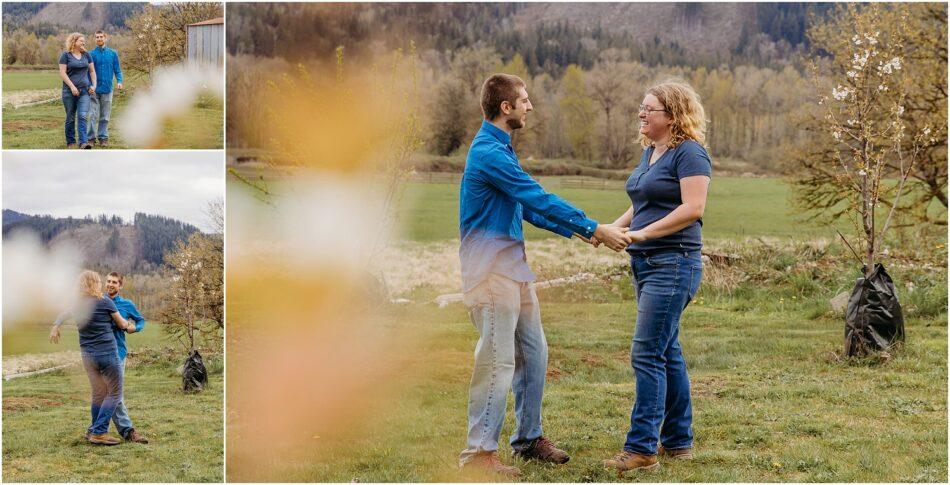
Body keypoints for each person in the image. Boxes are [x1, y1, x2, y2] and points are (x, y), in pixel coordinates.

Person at [458, 73, 631, 476]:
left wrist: (579, 230)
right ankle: (478, 455)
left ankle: (528, 439)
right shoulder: (489, 152)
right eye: (525, 99)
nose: (530, 106)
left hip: (514, 271)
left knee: (534, 356)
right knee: (498, 362)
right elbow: (535, 194)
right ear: (507, 107)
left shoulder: (501, 149)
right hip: (490, 272)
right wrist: (594, 227)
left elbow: (527, 209)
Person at [598, 80, 712, 474]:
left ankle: (642, 447)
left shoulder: (690, 153)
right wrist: (609, 229)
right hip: (646, 264)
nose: (641, 114)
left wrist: (643, 234)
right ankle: (678, 442)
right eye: (642, 108)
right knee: (667, 351)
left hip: (674, 262)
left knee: (646, 352)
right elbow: (641, 203)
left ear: (673, 116)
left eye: (650, 109)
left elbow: (693, 208)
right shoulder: (651, 152)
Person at [49, 270, 134, 445]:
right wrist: (130, 325)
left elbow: (63, 315)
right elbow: (121, 323)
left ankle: (92, 431)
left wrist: (55, 326)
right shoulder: (105, 302)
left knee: (98, 394)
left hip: (88, 357)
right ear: (95, 283)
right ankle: (100, 431)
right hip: (108, 355)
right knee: (115, 393)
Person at [103, 272, 148, 443]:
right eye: (108, 281)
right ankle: (100, 430)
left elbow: (141, 320)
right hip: (98, 354)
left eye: (114, 282)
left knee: (115, 393)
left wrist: (134, 328)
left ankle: (127, 430)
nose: (110, 284)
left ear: (120, 286)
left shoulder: (126, 304)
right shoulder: (98, 302)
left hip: (117, 353)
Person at [58, 33, 96, 149]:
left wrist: (94, 85)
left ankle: (83, 142)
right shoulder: (66, 55)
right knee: (70, 117)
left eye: (84, 41)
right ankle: (70, 141)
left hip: (85, 91)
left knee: (83, 116)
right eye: (81, 41)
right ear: (74, 42)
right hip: (69, 92)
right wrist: (72, 86)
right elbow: (62, 73)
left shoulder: (87, 55)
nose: (83, 43)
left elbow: (92, 71)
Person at [87, 30, 124, 147]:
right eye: (97, 37)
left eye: (101, 37)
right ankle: (91, 139)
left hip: (108, 89)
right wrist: (89, 85)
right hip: (94, 90)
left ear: (105, 38)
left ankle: (103, 138)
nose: (99, 39)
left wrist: (119, 81)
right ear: (95, 39)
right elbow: (87, 72)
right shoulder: (91, 54)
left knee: (105, 115)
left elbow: (117, 70)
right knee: (92, 114)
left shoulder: (113, 54)